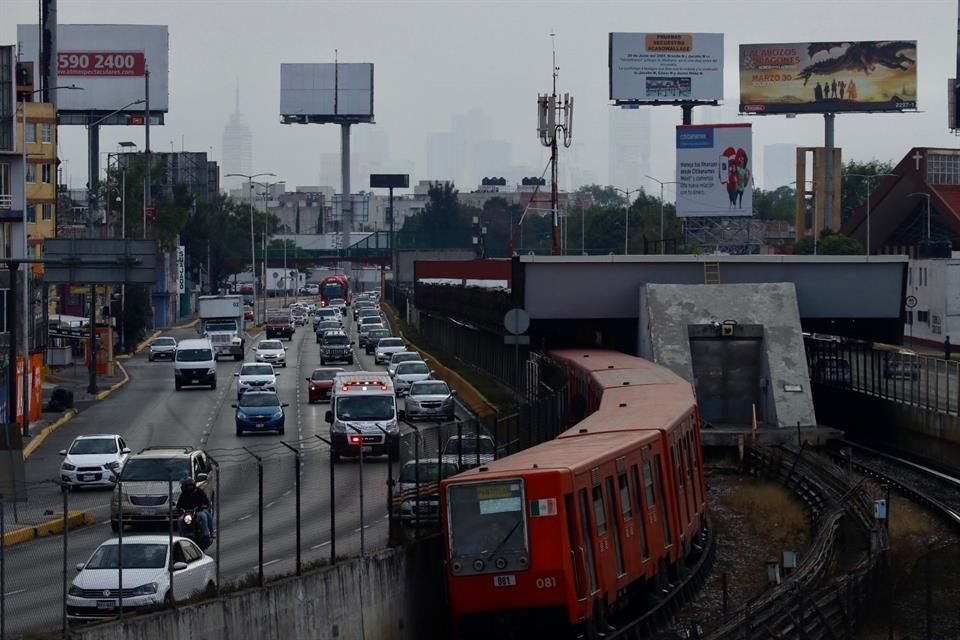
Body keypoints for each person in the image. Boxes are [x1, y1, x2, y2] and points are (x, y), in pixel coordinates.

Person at [176, 477, 212, 542]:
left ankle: (206, 534)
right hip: (187, 513)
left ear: (193, 485)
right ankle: (182, 536)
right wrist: (179, 509)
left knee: (203, 516)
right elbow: (179, 505)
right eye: (186, 486)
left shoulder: (199, 492)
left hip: (198, 511)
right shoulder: (183, 495)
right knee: (180, 520)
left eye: (190, 485)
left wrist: (202, 506)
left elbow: (206, 502)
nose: (189, 487)